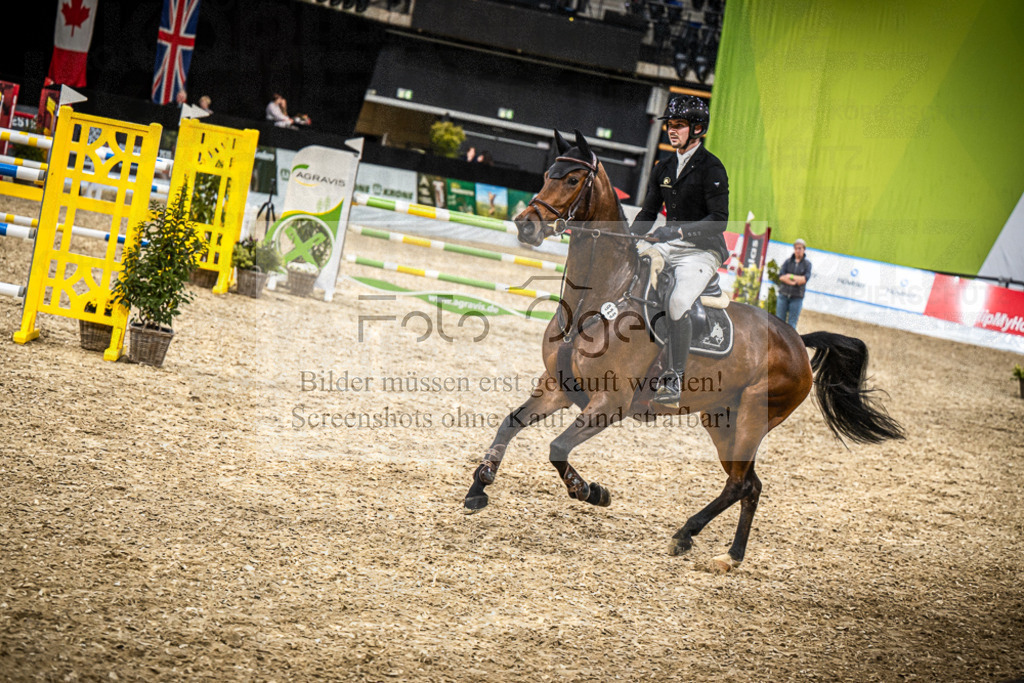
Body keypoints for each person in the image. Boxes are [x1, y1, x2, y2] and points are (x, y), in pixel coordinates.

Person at [629, 94, 729, 407]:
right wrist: (628, 240)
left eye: (680, 125)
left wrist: (680, 230)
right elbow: (647, 214)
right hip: (670, 244)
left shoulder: (712, 168)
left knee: (678, 301)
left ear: (697, 129)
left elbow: (719, 220)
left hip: (701, 251)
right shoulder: (663, 167)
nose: (672, 131)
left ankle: (674, 377)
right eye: (670, 125)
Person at [775, 238, 812, 329]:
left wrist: (789, 276)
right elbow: (781, 277)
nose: (798, 250)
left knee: (792, 324)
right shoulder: (788, 262)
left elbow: (803, 279)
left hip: (797, 297)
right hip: (783, 295)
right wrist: (795, 282)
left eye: (800, 248)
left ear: (804, 249)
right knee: (778, 322)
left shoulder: (807, 264)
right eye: (796, 248)